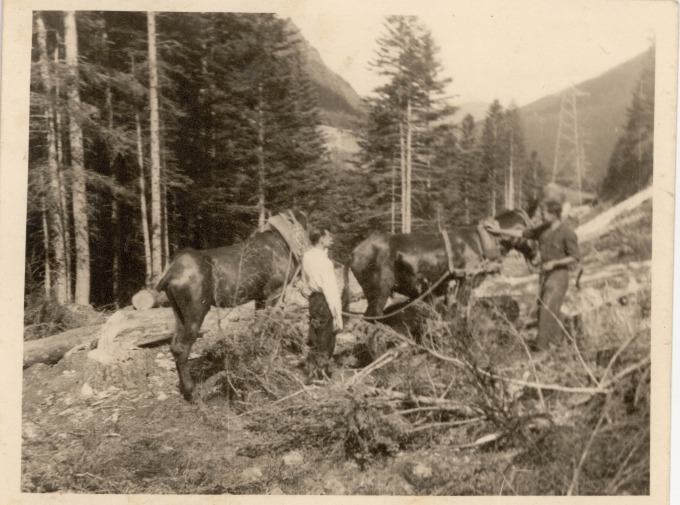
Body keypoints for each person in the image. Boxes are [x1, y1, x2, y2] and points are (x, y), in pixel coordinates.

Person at [485, 199, 580, 352]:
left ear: (554, 215)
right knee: (546, 307)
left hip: (559, 276)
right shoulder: (543, 229)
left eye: (544, 213)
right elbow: (522, 233)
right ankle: (558, 344)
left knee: (546, 310)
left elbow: (575, 257)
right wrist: (500, 231)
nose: (541, 215)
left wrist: (555, 263)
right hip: (545, 275)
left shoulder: (567, 233)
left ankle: (541, 348)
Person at [301, 228, 344, 378]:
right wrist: (338, 315)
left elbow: (304, 280)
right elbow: (330, 290)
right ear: (321, 240)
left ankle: (312, 370)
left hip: (314, 299)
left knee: (315, 332)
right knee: (326, 338)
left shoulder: (306, 256)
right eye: (329, 237)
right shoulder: (325, 262)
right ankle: (321, 375)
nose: (331, 239)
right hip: (325, 300)